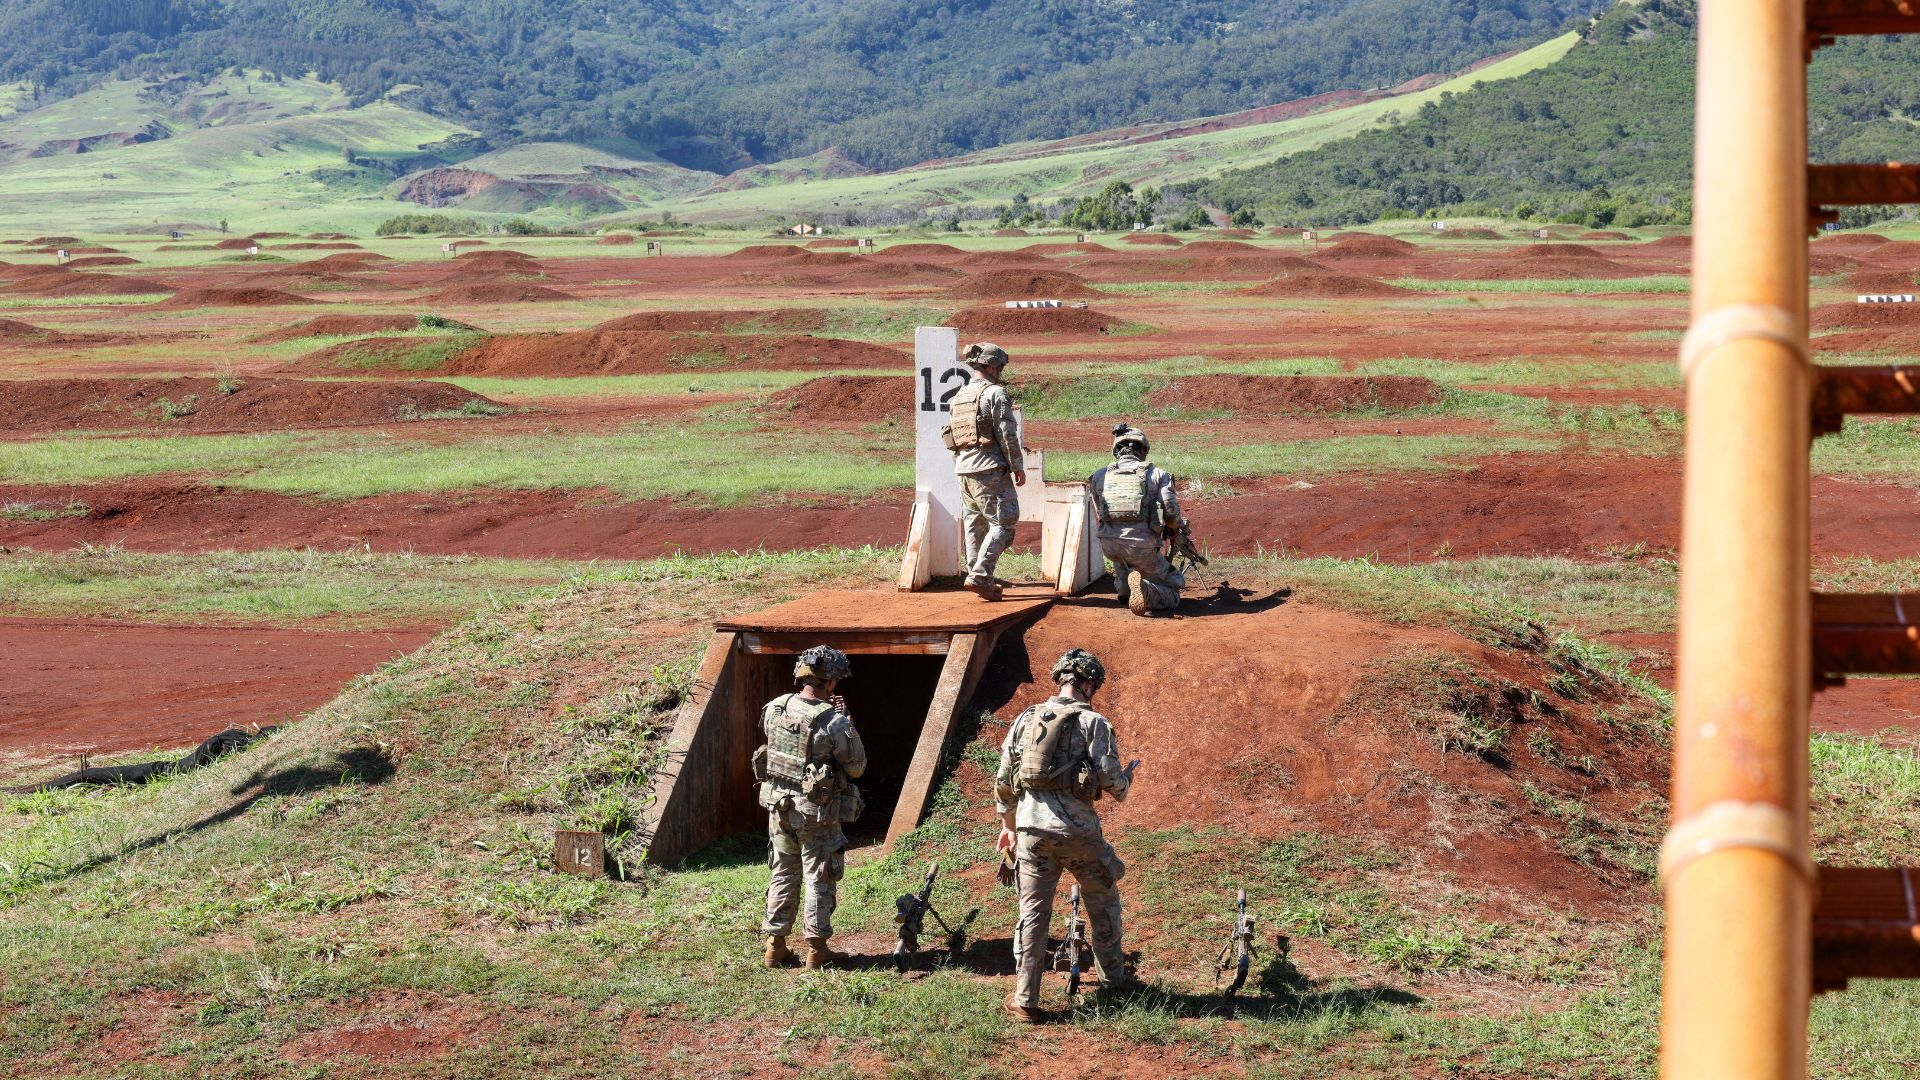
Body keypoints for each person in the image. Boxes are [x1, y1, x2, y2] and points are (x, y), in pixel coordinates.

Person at [993, 648, 1137, 1021]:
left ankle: (1026, 1000)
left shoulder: (1025, 719)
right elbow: (1113, 785)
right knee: (1103, 901)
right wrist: (1127, 779)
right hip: (1078, 834)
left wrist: (1008, 828)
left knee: (1032, 913)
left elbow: (1004, 781)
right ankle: (1114, 983)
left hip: (1030, 832)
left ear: (1060, 679)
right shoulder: (1094, 723)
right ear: (1088, 684)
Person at [753, 644, 867, 970]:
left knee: (783, 871)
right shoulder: (833, 721)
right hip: (815, 814)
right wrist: (849, 725)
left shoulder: (774, 707)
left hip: (778, 806)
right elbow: (857, 766)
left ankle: (775, 946)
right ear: (829, 682)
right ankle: (817, 949)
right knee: (820, 874)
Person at [943, 341, 1025, 600]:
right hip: (989, 468)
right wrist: (1017, 466)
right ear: (991, 366)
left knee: (975, 524)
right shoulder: (996, 393)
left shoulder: (959, 396)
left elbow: (952, 437)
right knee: (1004, 524)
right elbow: (1007, 434)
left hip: (964, 469)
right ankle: (980, 576)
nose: (1000, 371)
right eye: (999, 367)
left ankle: (979, 576)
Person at [1087, 424, 1186, 616]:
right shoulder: (1158, 474)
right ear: (1143, 450)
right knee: (1174, 588)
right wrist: (1173, 528)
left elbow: (1100, 513)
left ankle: (1125, 587)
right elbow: (1171, 512)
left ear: (1117, 451)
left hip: (1110, 547)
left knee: (1124, 557)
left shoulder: (1099, 476)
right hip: (1142, 548)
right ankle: (1145, 590)